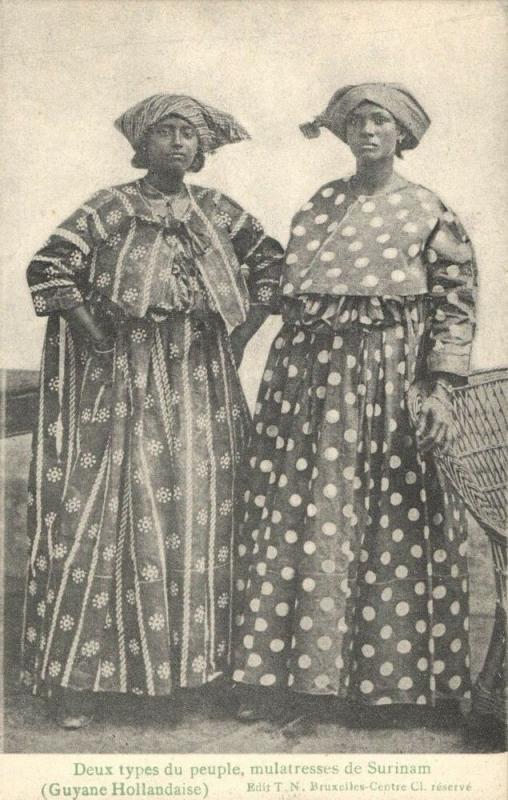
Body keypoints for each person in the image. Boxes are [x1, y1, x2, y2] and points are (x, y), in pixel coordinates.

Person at [22, 93, 283, 728]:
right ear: (144, 143)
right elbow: (50, 267)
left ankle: (200, 674)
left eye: (188, 136)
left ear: (202, 149)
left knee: (201, 512)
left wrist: (241, 331)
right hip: (124, 387)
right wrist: (94, 331)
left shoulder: (218, 210)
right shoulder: (111, 206)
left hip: (200, 383)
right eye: (165, 133)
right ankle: (83, 682)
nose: (177, 144)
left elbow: (274, 264)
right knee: (113, 508)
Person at [232, 83, 477, 726]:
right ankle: (296, 680)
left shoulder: (428, 208)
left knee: (386, 517)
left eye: (382, 122)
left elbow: (455, 302)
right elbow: (290, 295)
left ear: (402, 134)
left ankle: (388, 685)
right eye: (358, 122)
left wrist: (439, 385)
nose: (368, 131)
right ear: (342, 133)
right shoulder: (320, 205)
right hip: (309, 383)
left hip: (389, 382)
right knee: (305, 510)